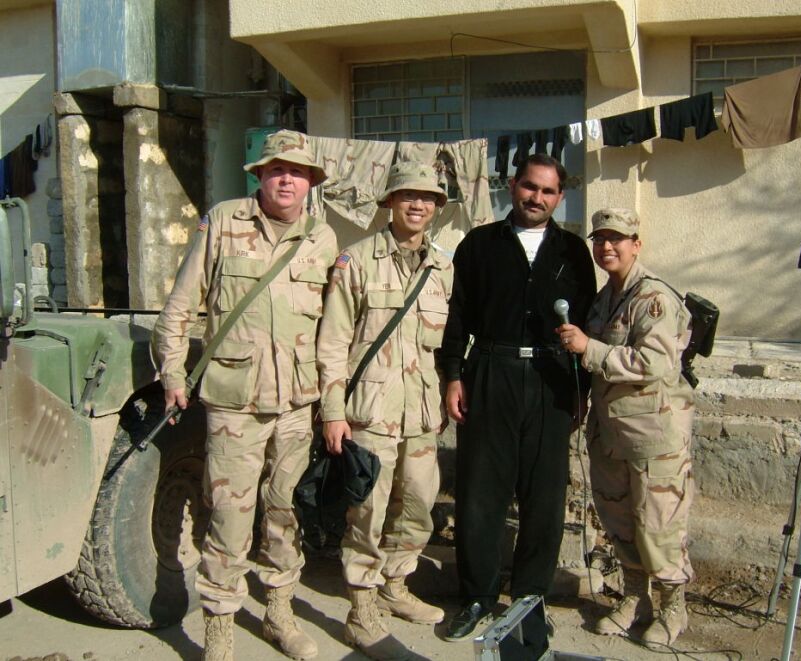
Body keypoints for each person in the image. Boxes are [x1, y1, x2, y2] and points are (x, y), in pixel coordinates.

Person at [152, 130, 338, 661]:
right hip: (234, 400)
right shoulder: (223, 222)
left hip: (298, 403)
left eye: (297, 172)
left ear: (309, 183)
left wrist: (332, 401)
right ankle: (220, 625)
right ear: (260, 175)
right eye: (277, 169)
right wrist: (171, 372)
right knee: (230, 514)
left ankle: (279, 612)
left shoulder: (322, 239)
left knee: (285, 509)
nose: (286, 178)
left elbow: (334, 329)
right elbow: (179, 305)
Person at [441, 153, 597, 641]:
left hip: (551, 379)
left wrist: (580, 389)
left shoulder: (573, 252)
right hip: (491, 371)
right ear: (513, 186)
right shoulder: (479, 245)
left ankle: (530, 602)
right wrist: (453, 376)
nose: (537, 198)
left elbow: (588, 323)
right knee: (480, 494)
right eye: (530, 187)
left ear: (560, 197)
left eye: (548, 192)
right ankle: (477, 597)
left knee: (545, 497)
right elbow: (457, 317)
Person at [317, 162, 453, 661]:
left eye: (427, 198)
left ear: (437, 208)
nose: (417, 205)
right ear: (389, 203)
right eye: (407, 196)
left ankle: (396, 585)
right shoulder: (355, 261)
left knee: (418, 503)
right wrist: (333, 410)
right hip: (368, 413)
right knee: (367, 514)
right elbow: (332, 342)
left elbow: (446, 343)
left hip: (420, 412)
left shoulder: (443, 267)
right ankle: (361, 609)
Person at [556, 208, 695, 646]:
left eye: (616, 238)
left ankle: (673, 608)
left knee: (658, 525)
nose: (606, 247)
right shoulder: (605, 297)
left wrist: (588, 347)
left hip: (653, 438)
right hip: (612, 434)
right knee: (618, 520)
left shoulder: (652, 298)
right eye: (599, 239)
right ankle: (635, 598)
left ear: (637, 243)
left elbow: (655, 363)